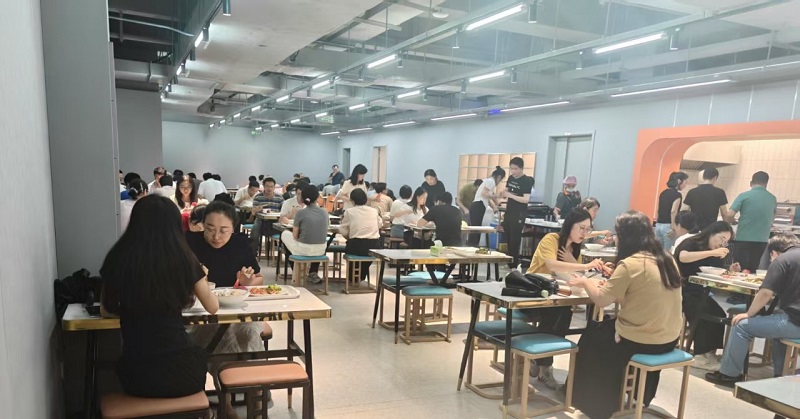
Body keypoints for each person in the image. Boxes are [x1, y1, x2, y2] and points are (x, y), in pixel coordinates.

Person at [100, 195, 219, 398]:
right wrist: (203, 277)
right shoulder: (184, 258)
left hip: (136, 377)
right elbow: (212, 307)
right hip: (184, 374)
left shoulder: (118, 257)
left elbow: (105, 310)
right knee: (200, 353)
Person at [568, 211, 682, 419]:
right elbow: (644, 296)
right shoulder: (667, 259)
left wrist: (585, 282)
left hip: (641, 340)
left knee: (591, 337)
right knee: (604, 332)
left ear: (626, 237)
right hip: (669, 339)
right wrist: (616, 282)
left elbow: (602, 300)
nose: (615, 238)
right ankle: (639, 395)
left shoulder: (630, 264)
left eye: (617, 234)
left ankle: (596, 406)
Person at [523, 208, 608, 388]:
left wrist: (575, 263)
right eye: (581, 228)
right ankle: (544, 364)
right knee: (555, 313)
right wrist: (585, 266)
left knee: (564, 312)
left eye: (588, 229)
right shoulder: (551, 239)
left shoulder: (575, 249)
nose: (584, 233)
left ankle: (541, 361)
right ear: (570, 225)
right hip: (533, 294)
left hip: (555, 295)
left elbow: (574, 276)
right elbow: (551, 265)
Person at [705, 234, 800, 387]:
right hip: (793, 320)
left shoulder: (782, 261)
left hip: (795, 323)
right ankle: (780, 376)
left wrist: (748, 314)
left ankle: (729, 375)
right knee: (777, 321)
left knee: (741, 326)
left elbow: (765, 293)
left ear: (773, 252)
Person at [674, 221, 734, 370]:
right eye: (721, 238)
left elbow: (715, 270)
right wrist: (712, 252)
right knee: (701, 313)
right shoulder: (692, 242)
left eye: (726, 241)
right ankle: (700, 355)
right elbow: (683, 257)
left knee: (718, 314)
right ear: (712, 233)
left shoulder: (717, 252)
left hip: (700, 290)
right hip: (681, 289)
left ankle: (710, 353)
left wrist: (730, 270)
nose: (722, 243)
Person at [728, 171, 777, 273]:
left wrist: (733, 221)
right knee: (755, 271)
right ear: (766, 184)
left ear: (751, 183)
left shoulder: (744, 196)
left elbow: (729, 215)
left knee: (738, 269)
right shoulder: (772, 198)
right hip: (762, 241)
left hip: (743, 239)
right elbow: (772, 219)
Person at [281, 184, 329, 284]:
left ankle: (297, 271)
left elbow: (295, 236)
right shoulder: (325, 212)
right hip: (321, 250)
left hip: (303, 249)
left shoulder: (300, 213)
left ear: (303, 198)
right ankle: (312, 273)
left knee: (285, 234)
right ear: (318, 197)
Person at [339, 189, 382, 282]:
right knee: (365, 259)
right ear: (365, 199)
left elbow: (343, 230)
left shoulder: (349, 212)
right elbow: (379, 224)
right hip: (374, 245)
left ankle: (354, 277)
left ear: (352, 201)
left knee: (352, 249)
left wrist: (349, 237)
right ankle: (361, 276)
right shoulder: (374, 211)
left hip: (356, 245)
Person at [502, 158, 534, 268]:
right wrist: (504, 194)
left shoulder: (526, 181)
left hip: (519, 213)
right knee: (507, 238)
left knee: (514, 240)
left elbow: (526, 199)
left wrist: (511, 195)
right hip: (509, 211)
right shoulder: (510, 178)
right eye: (511, 169)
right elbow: (506, 191)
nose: (513, 171)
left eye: (515, 169)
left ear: (521, 168)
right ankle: (509, 262)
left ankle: (514, 265)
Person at [468, 167, 506, 247]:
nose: (499, 182)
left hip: (476, 205)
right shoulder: (491, 182)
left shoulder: (488, 181)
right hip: (479, 205)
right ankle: (472, 247)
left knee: (475, 229)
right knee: (476, 230)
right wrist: (497, 196)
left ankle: (472, 246)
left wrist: (497, 205)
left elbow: (490, 197)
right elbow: (484, 194)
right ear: (499, 177)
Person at [248, 177, 285, 255]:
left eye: (271, 186)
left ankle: (284, 253)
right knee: (255, 231)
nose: (269, 189)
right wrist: (256, 210)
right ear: (263, 186)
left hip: (275, 221)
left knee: (286, 231)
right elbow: (253, 213)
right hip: (261, 221)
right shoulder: (258, 197)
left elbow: (284, 212)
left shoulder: (279, 198)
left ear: (274, 187)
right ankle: (252, 254)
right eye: (267, 186)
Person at [654, 171, 689, 251]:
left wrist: (657, 223)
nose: (685, 185)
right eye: (685, 182)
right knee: (668, 252)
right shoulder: (677, 195)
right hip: (669, 226)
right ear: (679, 181)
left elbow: (658, 209)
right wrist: (673, 228)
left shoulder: (663, 193)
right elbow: (673, 211)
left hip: (659, 225)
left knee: (658, 251)